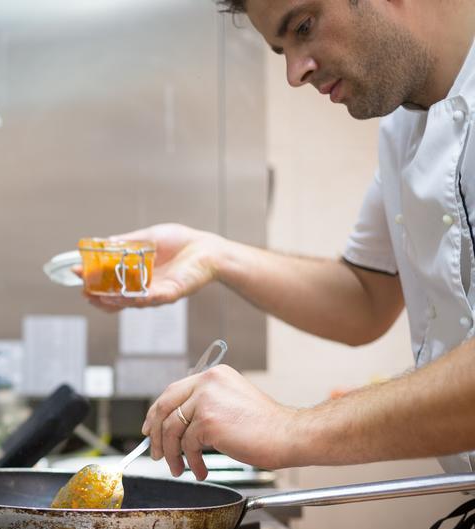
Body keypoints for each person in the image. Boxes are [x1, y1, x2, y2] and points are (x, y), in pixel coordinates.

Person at [86, 0, 475, 485]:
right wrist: (212, 253)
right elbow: (365, 298)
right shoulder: (403, 126)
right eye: (281, 49)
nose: (295, 73)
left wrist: (289, 428)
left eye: (304, 26)